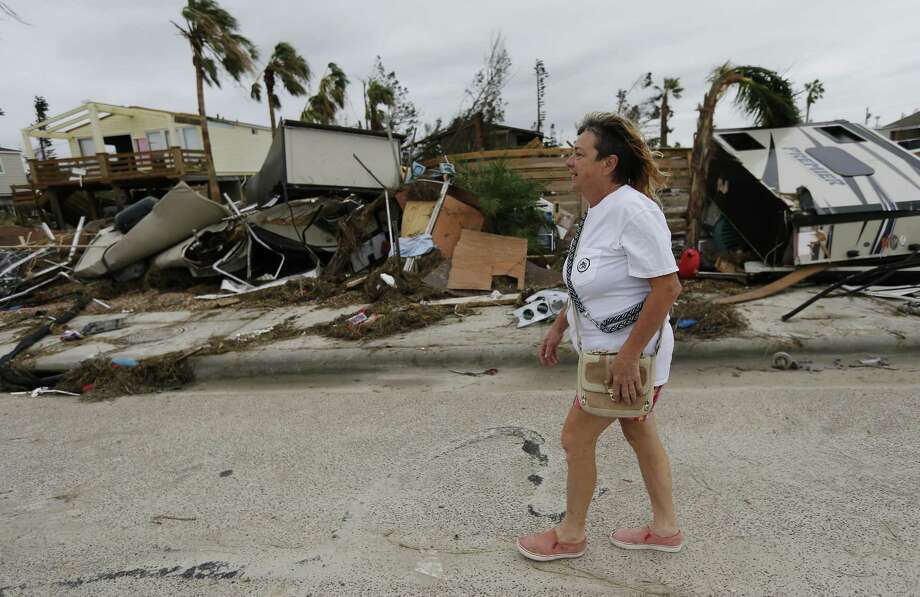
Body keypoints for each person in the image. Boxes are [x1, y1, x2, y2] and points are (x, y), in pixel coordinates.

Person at [516, 112, 684, 561]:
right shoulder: (597, 212)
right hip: (605, 353)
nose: (569, 160)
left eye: (578, 153)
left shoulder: (632, 210)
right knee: (638, 430)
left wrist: (628, 358)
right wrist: (557, 326)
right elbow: (586, 284)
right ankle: (665, 529)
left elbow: (667, 287)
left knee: (575, 438)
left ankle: (570, 536)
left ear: (607, 163)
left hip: (629, 357)